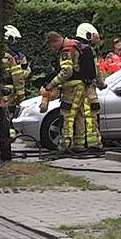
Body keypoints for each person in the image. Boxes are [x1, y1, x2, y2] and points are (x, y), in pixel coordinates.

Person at [41, 31, 93, 151]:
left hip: (72, 87)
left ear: (56, 41)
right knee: (79, 115)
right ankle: (79, 145)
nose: (54, 49)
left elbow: (67, 72)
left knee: (67, 114)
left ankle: (65, 145)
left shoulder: (66, 50)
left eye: (53, 46)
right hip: (81, 85)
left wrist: (52, 84)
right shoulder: (76, 44)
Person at [74, 22, 106, 151]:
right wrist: (101, 83)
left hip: (77, 88)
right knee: (92, 116)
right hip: (89, 89)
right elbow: (95, 71)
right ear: (87, 35)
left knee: (80, 116)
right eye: (94, 36)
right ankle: (94, 144)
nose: (96, 39)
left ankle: (79, 144)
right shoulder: (88, 51)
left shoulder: (75, 48)